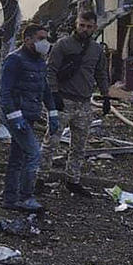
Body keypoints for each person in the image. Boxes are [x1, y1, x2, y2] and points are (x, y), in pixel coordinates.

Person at [39, 11, 110, 196]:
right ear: (76, 25)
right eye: (82, 25)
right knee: (51, 142)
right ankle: (40, 177)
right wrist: (54, 94)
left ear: (94, 27)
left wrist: (106, 97)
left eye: (89, 26)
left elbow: (101, 73)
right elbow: (51, 70)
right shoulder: (63, 45)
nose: (84, 29)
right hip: (64, 100)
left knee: (79, 146)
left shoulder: (96, 50)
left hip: (84, 104)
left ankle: (73, 180)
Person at [0, 24, 58, 212]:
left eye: (45, 38)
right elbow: (5, 93)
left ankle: (10, 199)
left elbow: (45, 88)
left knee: (18, 157)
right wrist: (15, 117)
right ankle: (26, 197)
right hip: (17, 115)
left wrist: (53, 112)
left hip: (29, 115)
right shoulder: (14, 60)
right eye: (40, 38)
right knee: (34, 154)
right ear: (27, 40)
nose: (44, 42)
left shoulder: (40, 61)